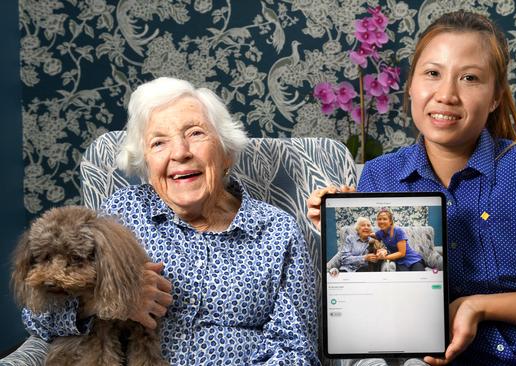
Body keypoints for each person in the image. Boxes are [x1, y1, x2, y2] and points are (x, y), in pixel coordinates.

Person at [307, 10, 516, 365]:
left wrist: (478, 306)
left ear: (494, 97)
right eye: (432, 74)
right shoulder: (381, 176)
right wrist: (339, 223)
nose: (447, 94)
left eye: (470, 78)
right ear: (411, 85)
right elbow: (379, 302)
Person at [22, 77, 319, 365]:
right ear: (147, 163)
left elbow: (296, 349)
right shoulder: (121, 213)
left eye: (195, 133)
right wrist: (105, 301)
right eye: (159, 143)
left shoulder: (278, 231)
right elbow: (38, 319)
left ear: (226, 152)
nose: (180, 153)